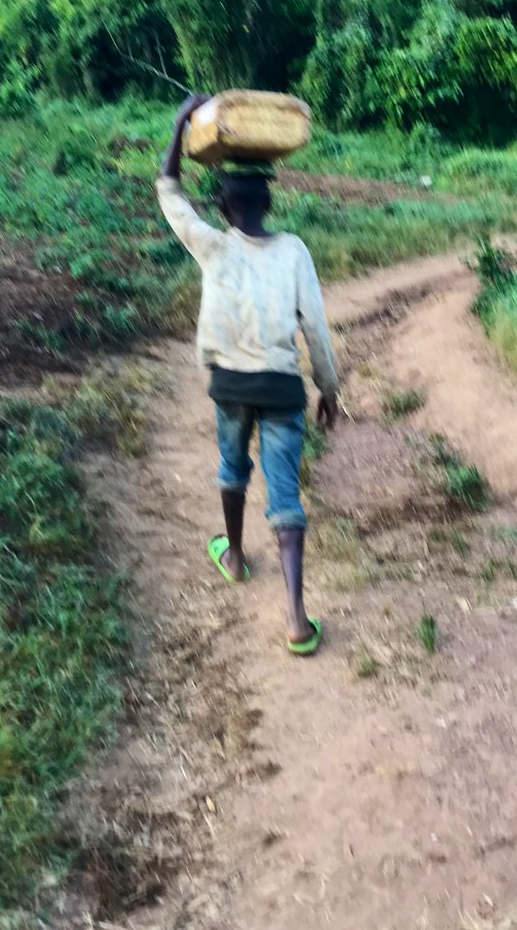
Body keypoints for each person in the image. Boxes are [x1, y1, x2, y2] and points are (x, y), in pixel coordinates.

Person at [157, 93, 340, 656]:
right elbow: (317, 330)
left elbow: (170, 193)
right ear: (266, 203)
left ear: (226, 207)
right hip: (283, 390)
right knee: (285, 494)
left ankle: (234, 556)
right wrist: (329, 389)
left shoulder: (213, 247)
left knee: (232, 466)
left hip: (231, 387)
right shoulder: (294, 252)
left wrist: (178, 129)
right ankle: (296, 620)